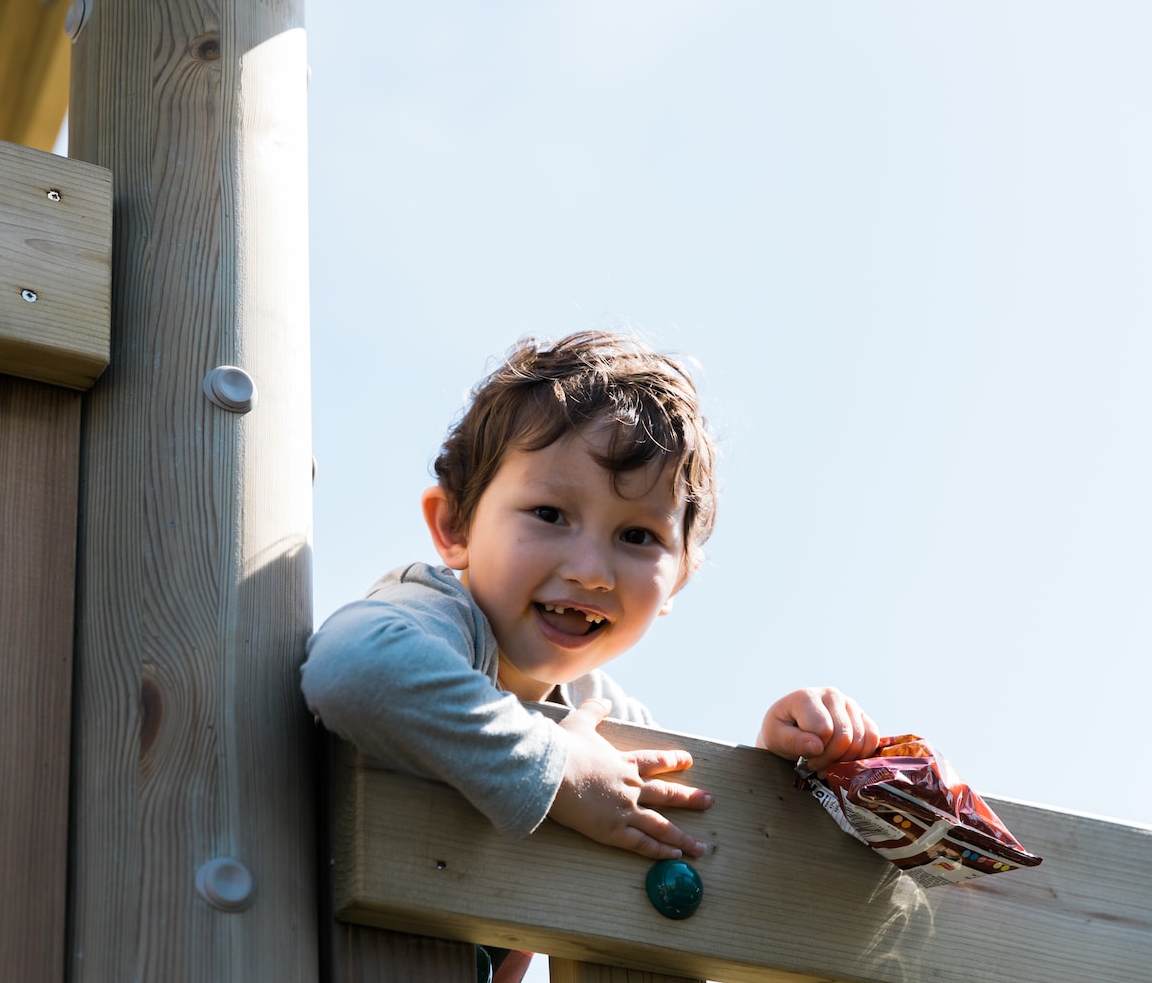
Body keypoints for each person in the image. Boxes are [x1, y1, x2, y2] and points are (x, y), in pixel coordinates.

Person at [302, 330, 880, 863]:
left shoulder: (608, 718)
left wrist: (780, 767)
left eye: (637, 536)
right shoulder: (439, 618)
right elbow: (353, 668)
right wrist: (558, 768)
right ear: (455, 526)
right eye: (549, 514)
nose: (591, 572)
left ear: (678, 577)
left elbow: (695, 820)